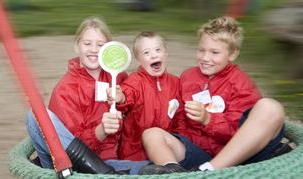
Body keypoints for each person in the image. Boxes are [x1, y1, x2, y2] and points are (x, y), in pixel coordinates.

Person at [139, 16, 287, 174]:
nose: (205, 58)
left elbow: (241, 131)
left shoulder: (240, 82)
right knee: (151, 134)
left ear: (232, 54)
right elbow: (179, 118)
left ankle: (209, 171)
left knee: (271, 107)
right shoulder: (188, 76)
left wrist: (208, 119)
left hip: (233, 155)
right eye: (201, 50)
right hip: (197, 153)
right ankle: (172, 171)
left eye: (214, 52)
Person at [25, 16, 149, 175]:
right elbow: (69, 144)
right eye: (87, 43)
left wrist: (123, 100)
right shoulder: (65, 89)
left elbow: (138, 110)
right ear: (77, 46)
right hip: (84, 168)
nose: (94, 49)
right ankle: (105, 174)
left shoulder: (118, 76)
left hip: (121, 159)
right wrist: (101, 130)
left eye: (100, 45)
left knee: (161, 170)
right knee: (35, 115)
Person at [109, 31, 186, 173]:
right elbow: (128, 96)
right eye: (146, 52)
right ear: (138, 60)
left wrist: (180, 140)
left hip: (163, 152)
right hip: (135, 154)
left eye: (158, 50)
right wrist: (121, 98)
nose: (154, 55)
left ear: (166, 54)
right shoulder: (134, 82)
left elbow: (180, 117)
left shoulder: (175, 83)